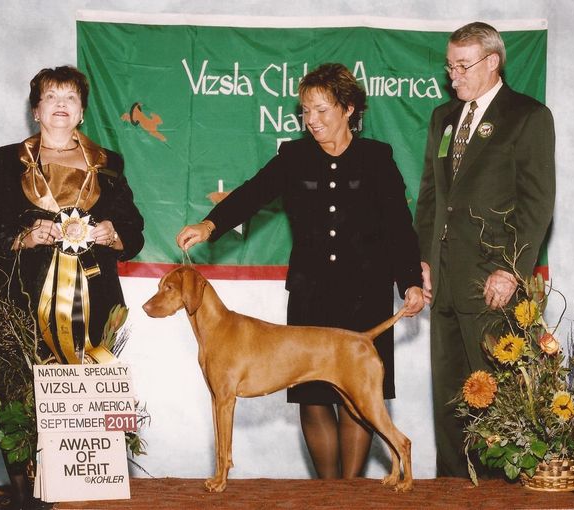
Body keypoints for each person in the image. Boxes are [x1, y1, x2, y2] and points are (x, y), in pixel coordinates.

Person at [177, 63, 424, 480]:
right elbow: (252, 193)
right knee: (312, 399)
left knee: (357, 401)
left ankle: (350, 491)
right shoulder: (293, 156)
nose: (312, 120)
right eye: (306, 111)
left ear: (348, 109)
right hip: (312, 292)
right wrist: (209, 224)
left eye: (321, 110)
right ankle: (325, 493)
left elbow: (400, 226)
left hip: (367, 293)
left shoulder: (377, 158)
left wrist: (411, 282)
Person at [0, 66, 144, 509]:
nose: (61, 104)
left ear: (82, 111)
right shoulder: (5, 160)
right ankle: (26, 499)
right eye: (51, 97)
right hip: (21, 301)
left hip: (95, 303)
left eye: (70, 97)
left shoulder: (109, 164)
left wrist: (110, 231)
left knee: (85, 401)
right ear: (35, 110)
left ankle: (83, 496)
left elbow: (134, 231)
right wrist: (24, 236)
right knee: (16, 394)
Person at [414, 22, 555, 477]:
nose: (453, 75)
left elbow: (537, 203)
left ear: (492, 62)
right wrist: (422, 259)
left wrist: (511, 269)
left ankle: (503, 495)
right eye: (449, 66)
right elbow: (432, 196)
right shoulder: (443, 118)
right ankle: (453, 491)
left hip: (495, 283)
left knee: (502, 402)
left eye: (462, 65)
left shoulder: (529, 117)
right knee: (451, 401)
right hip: (446, 282)